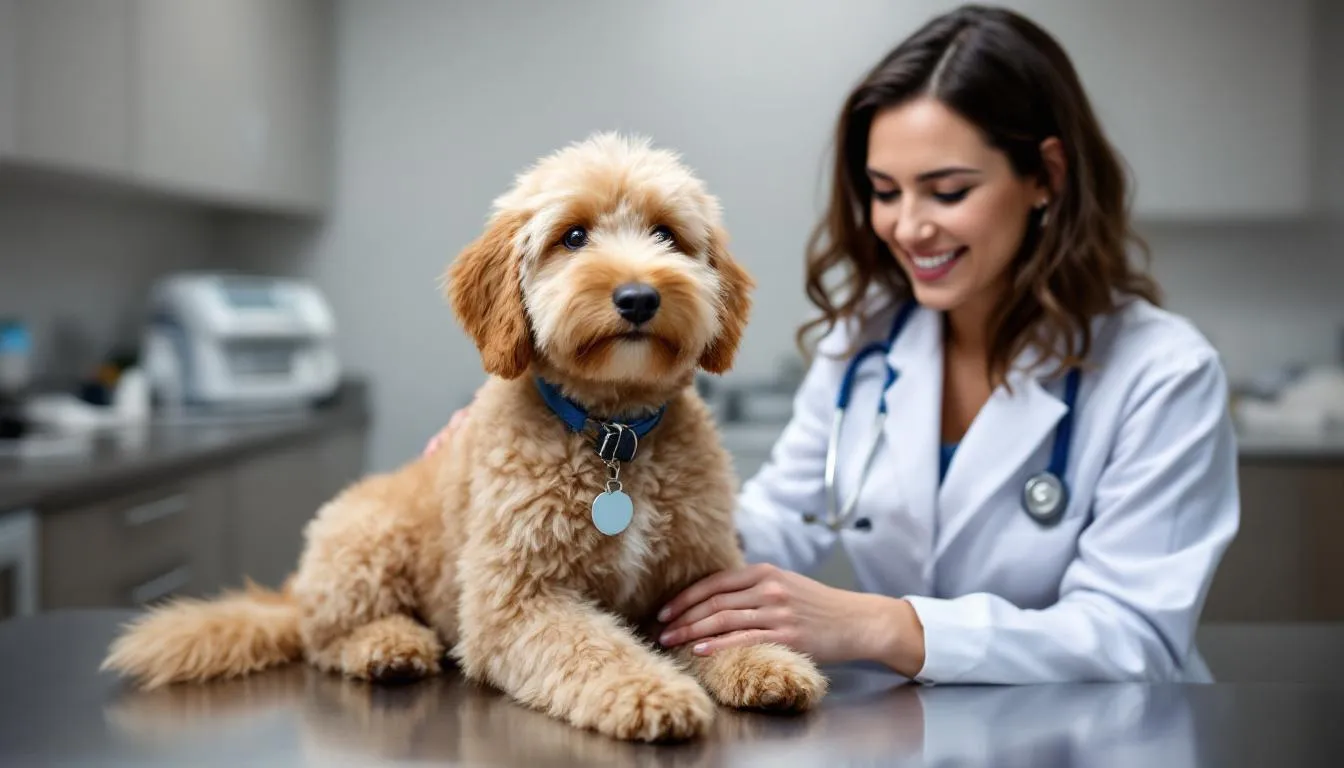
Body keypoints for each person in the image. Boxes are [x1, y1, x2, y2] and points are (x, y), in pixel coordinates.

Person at [426, 4, 1240, 684]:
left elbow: (1137, 637)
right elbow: (779, 523)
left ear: (1047, 178)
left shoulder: (1163, 373)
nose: (908, 226)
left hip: (1107, 731)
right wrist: (550, 467)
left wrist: (888, 627)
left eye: (948, 191)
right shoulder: (868, 345)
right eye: (885, 192)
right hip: (916, 725)